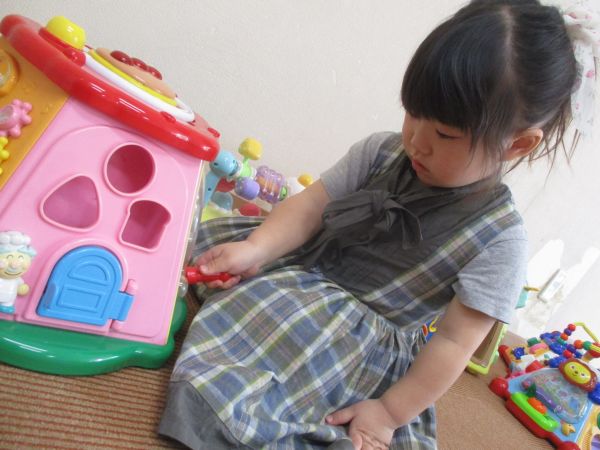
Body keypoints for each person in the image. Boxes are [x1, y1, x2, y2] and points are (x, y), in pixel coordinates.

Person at [159, 1, 599, 449]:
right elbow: (311, 206)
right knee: (181, 244)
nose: (416, 141)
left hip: (350, 336)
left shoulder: (500, 242)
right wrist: (258, 247)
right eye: (413, 113)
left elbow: (453, 343)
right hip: (302, 264)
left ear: (517, 145)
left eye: (445, 134)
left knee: (265, 376)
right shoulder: (381, 152)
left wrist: (389, 412)